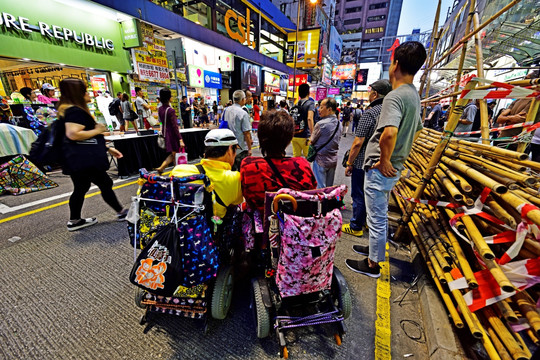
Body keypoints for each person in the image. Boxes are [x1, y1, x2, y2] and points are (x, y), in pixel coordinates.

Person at [345, 41, 426, 278]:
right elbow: (417, 130)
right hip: (392, 168)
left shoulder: (395, 96)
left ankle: (372, 265)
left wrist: (384, 160)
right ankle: (373, 251)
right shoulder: (413, 95)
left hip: (381, 169)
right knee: (376, 214)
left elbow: (389, 133)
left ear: (396, 65)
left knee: (377, 217)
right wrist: (399, 155)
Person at [57, 78, 127, 231]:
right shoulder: (75, 111)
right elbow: (73, 134)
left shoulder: (68, 110)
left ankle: (75, 220)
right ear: (78, 94)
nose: (89, 94)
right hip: (85, 160)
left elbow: (85, 139)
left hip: (77, 159)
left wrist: (107, 148)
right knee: (104, 183)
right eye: (86, 91)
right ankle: (121, 212)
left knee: (82, 187)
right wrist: (98, 129)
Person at [342, 79, 392, 237]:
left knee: (358, 194)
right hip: (383, 162)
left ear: (375, 94)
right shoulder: (391, 112)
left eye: (370, 91)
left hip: (363, 161)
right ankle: (366, 222)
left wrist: (350, 163)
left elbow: (357, 143)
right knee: (373, 195)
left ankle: (356, 225)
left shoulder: (370, 113)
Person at [240, 109, 317, 213]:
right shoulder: (302, 165)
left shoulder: (248, 166)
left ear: (261, 137)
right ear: (289, 139)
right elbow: (310, 193)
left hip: (259, 224)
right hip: (294, 224)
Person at [171, 129, 242, 218]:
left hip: (180, 226)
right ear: (230, 150)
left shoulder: (179, 170)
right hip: (213, 229)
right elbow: (234, 205)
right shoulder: (235, 178)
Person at [497, 70, 540, 150]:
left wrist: (507, 118)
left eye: (526, 79)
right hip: (502, 139)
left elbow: (520, 119)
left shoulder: (536, 100)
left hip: (517, 144)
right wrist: (510, 118)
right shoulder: (519, 98)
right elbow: (499, 119)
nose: (522, 82)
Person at [310, 97, 342, 188]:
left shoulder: (320, 124)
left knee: (320, 188)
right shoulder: (339, 124)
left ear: (329, 109)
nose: (318, 110)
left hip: (321, 160)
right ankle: (327, 202)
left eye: (321, 107)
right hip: (333, 160)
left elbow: (312, 141)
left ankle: (321, 202)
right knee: (329, 188)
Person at [154, 88, 185, 174]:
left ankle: (162, 167)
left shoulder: (160, 109)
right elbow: (175, 126)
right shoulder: (171, 110)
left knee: (174, 153)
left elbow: (161, 121)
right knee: (175, 154)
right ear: (169, 98)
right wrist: (180, 139)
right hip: (172, 134)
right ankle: (175, 172)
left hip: (165, 132)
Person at [225, 90, 252, 171]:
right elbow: (246, 133)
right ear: (243, 99)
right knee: (240, 171)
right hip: (240, 149)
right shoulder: (243, 113)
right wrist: (250, 149)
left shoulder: (226, 110)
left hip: (227, 147)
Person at [291, 83, 315, 158]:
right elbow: (309, 118)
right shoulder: (310, 104)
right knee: (308, 158)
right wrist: (313, 134)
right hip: (305, 136)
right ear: (308, 93)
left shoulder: (295, 104)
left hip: (294, 135)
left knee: (296, 158)